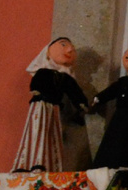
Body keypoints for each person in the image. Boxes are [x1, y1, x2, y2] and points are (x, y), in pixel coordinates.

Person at [13, 37, 89, 172]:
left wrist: (81, 103)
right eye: (63, 45)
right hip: (40, 105)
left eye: (72, 47)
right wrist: (37, 91)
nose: (69, 49)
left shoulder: (66, 78)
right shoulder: (43, 71)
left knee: (52, 134)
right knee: (37, 131)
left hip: (54, 107)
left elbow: (74, 91)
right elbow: (36, 83)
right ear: (48, 52)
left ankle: (49, 163)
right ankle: (31, 162)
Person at [90, 45, 128, 170]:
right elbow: (111, 91)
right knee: (114, 139)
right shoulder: (122, 81)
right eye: (127, 52)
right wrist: (99, 98)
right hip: (119, 117)